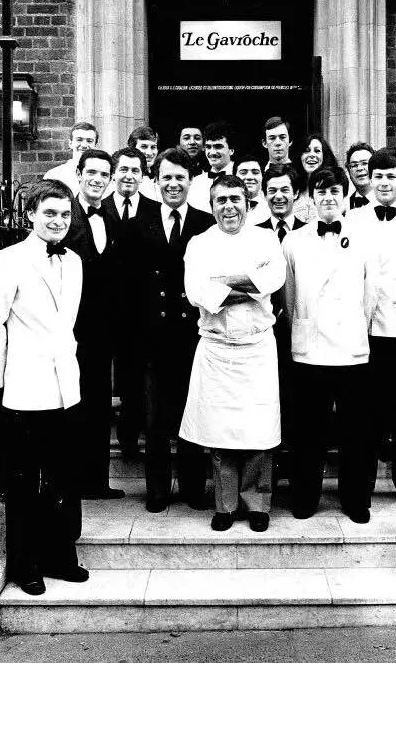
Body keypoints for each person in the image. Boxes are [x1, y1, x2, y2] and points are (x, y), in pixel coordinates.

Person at [0, 180, 89, 596]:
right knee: (24, 483)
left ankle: (61, 556)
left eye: (64, 214)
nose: (58, 221)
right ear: (30, 215)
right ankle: (26, 565)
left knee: (63, 479)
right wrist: (6, 378)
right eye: (49, 213)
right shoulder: (9, 259)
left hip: (66, 388)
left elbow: (67, 325)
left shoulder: (74, 261)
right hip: (24, 389)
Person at [179, 175, 285, 533]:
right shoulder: (198, 243)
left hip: (257, 347)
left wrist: (222, 284)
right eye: (221, 200)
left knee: (259, 429)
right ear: (211, 206)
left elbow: (272, 281)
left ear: (248, 203)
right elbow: (196, 291)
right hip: (217, 349)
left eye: (235, 199)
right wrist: (247, 284)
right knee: (220, 431)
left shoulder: (266, 238)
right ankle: (224, 505)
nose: (229, 206)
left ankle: (257, 503)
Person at [116, 147, 214, 513]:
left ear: (191, 182)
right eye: (167, 177)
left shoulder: (206, 224)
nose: (174, 184)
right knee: (155, 418)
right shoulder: (137, 224)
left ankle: (192, 486)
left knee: (193, 413)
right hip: (152, 337)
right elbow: (126, 287)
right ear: (155, 182)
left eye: (180, 177)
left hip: (194, 337)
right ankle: (157, 489)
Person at [283, 166, 378, 523]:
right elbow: (289, 300)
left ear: (344, 193)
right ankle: (306, 496)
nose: (328, 198)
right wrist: (303, 330)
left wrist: (356, 328)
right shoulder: (294, 241)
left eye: (334, 191)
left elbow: (371, 296)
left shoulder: (364, 237)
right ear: (309, 197)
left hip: (352, 349)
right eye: (320, 191)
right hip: (310, 350)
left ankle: (355, 499)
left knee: (356, 431)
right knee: (309, 431)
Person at [350, 146, 396, 507]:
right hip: (366, 333)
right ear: (368, 180)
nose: (384, 182)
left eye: (391, 176)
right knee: (365, 416)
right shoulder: (354, 220)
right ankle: (361, 493)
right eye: (378, 176)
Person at [65, 149, 125, 500]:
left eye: (105, 174)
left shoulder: (112, 217)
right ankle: (71, 481)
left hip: (102, 333)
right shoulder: (63, 215)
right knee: (71, 407)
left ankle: (96, 482)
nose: (98, 180)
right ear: (79, 172)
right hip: (69, 332)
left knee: (99, 406)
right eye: (92, 172)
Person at [102, 147, 154, 458]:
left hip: (142, 308)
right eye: (123, 170)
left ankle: (133, 438)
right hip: (107, 308)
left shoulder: (153, 209)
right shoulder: (101, 208)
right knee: (111, 379)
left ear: (144, 175)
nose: (129, 176)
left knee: (137, 378)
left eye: (136, 170)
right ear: (114, 173)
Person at [259, 163, 304, 483]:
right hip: (262, 333)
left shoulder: (310, 231)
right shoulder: (254, 232)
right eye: (271, 190)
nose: (278, 196)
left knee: (296, 401)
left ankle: (293, 469)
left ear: (297, 193)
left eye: (284, 189)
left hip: (300, 333)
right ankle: (267, 470)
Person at [188, 121, 236, 213]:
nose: (212, 152)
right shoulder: (196, 182)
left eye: (218, 147)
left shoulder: (242, 176)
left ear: (231, 150)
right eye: (208, 147)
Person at [43, 121, 98, 195]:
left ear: (95, 146)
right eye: (79, 140)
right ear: (70, 143)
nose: (84, 145)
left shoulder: (103, 175)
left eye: (89, 141)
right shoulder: (54, 175)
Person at [294, 133, 338, 223]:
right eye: (307, 150)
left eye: (317, 151)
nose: (312, 155)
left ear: (324, 156)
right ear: (300, 156)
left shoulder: (335, 189)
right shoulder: (292, 187)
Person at [234, 153, 271, 225]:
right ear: (234, 176)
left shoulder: (272, 206)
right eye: (243, 173)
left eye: (255, 172)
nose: (249, 177)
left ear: (263, 177)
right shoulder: (226, 205)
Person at [127, 125, 160, 200]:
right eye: (144, 147)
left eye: (153, 147)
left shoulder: (159, 176)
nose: (149, 153)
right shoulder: (127, 178)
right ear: (132, 149)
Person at [345, 142, 375, 210]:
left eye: (364, 163)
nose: (359, 168)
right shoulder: (343, 206)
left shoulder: (389, 203)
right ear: (349, 172)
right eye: (354, 165)